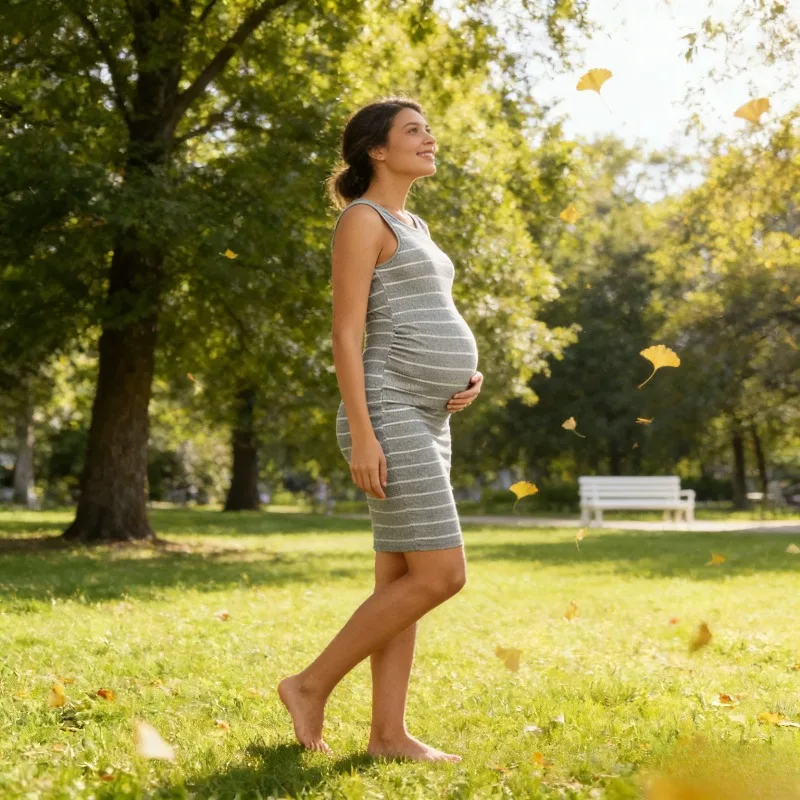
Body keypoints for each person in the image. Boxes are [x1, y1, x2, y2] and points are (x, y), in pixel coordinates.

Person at [277, 97, 484, 763]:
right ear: (377, 149)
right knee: (442, 575)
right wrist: (364, 434)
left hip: (428, 414)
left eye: (429, 127)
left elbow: (428, 312)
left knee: (399, 582)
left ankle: (388, 736)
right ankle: (309, 684)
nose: (430, 138)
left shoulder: (413, 221)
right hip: (387, 411)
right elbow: (345, 334)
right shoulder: (360, 220)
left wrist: (463, 378)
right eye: (414, 131)